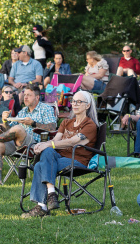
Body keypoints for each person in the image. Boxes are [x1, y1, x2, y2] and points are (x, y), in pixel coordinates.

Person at [22, 90, 99, 218]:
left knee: (39, 165)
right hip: (59, 157)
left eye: (79, 102)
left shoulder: (90, 125)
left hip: (77, 160)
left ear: (88, 105)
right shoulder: (66, 122)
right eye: (73, 101)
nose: (75, 104)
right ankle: (51, 195)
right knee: (47, 151)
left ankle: (42, 206)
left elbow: (72, 142)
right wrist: (42, 145)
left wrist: (48, 144)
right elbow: (56, 140)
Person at [0, 83, 58, 185]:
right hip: (18, 144)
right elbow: (9, 130)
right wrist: (5, 121)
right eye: (24, 95)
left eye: (28, 95)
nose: (25, 97)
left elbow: (52, 128)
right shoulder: (23, 111)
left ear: (37, 97)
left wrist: (33, 123)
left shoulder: (46, 109)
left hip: (35, 144)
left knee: (19, 128)